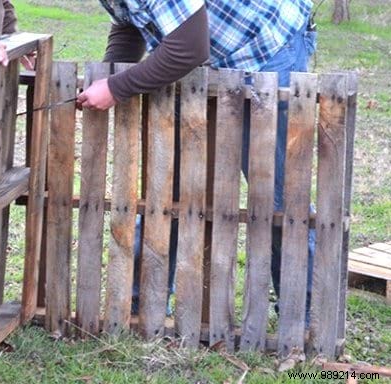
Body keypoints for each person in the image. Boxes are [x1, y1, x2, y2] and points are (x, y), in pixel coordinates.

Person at [78, 0, 317, 320]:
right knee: (169, 185)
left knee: (278, 195)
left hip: (266, 45)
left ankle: (303, 315)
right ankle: (142, 302)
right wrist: (109, 74)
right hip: (205, 57)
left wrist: (116, 87)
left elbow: (188, 48)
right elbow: (129, 22)